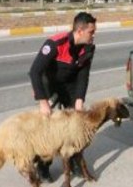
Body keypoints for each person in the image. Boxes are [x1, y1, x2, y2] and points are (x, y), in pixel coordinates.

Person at [29, 12, 97, 182]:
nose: (93, 35)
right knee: (50, 130)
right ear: (80, 31)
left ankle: (74, 163)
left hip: (70, 85)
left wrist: (79, 100)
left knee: (75, 128)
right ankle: (43, 166)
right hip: (49, 85)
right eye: (91, 32)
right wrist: (43, 101)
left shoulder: (89, 47)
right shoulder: (55, 43)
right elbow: (35, 72)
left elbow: (83, 75)